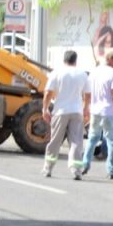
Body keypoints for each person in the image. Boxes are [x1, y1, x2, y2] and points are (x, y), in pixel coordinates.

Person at [41, 50, 90, 180]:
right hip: (77, 111)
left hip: (60, 111)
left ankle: (48, 168)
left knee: (55, 140)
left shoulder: (56, 73)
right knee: (76, 141)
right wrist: (86, 109)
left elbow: (48, 93)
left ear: (64, 60)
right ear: (76, 60)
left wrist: (45, 109)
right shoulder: (82, 74)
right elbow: (87, 94)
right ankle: (76, 170)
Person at [81, 50, 113, 179]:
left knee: (92, 139)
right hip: (109, 111)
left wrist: (86, 107)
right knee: (112, 141)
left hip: (95, 110)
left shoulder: (94, 72)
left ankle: (85, 164)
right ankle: (111, 171)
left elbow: (87, 93)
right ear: (111, 59)